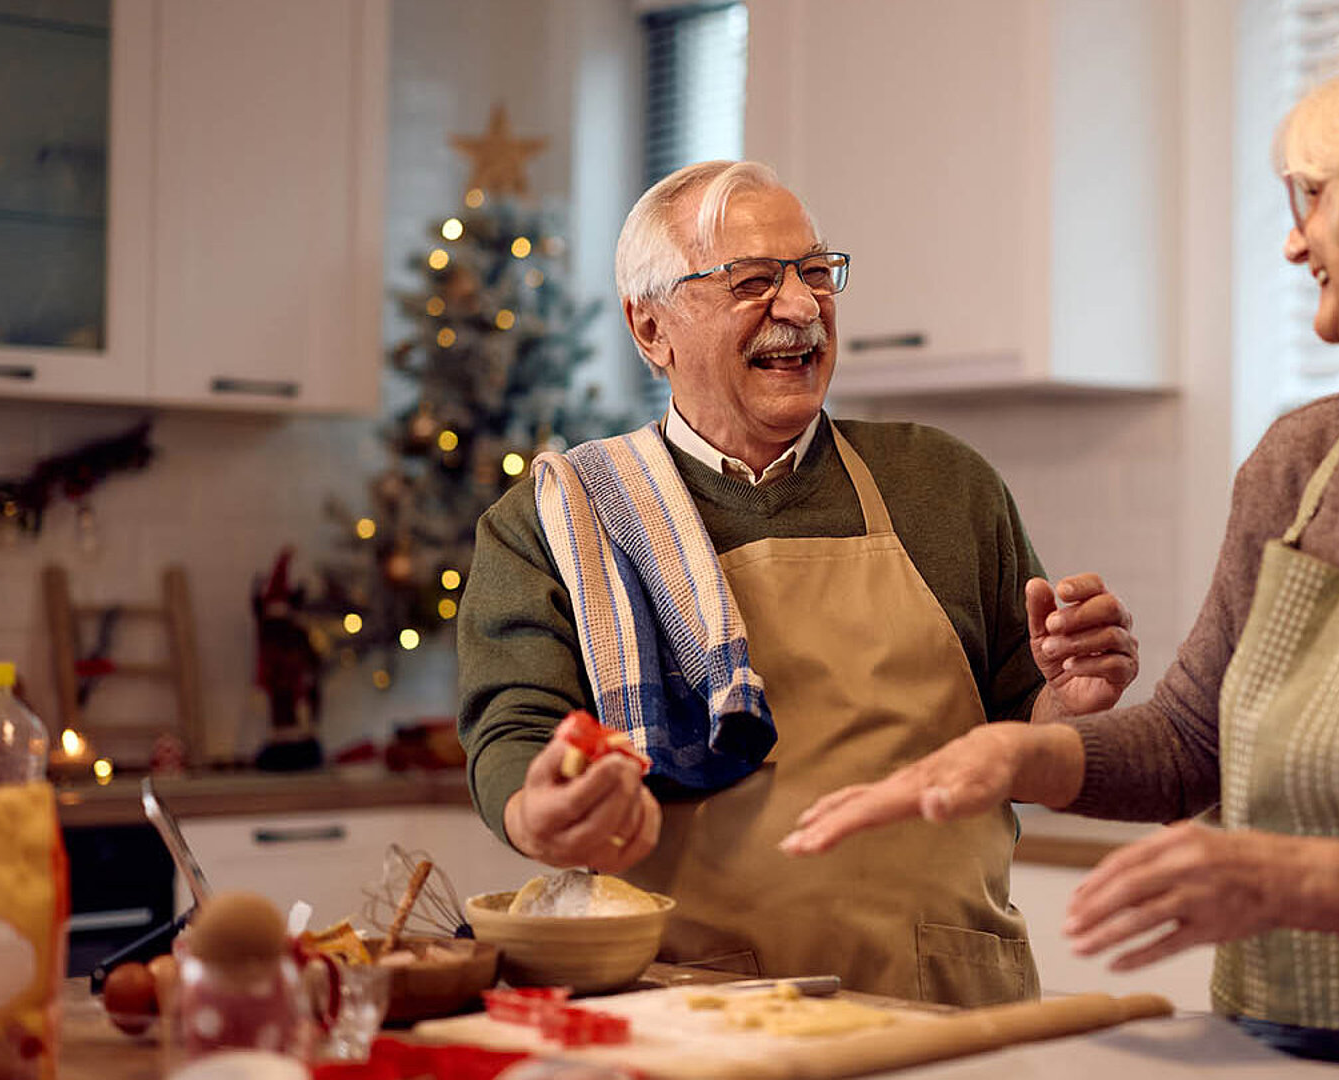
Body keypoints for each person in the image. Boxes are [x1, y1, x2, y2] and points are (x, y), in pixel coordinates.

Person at [781, 40, 1339, 1063]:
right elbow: (1191, 744)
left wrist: (1288, 879)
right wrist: (1016, 755)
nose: (1295, 243)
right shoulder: (1303, 458)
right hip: (1266, 1042)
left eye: (1316, 197)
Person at [456, 159, 1140, 1007]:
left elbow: (1023, 725)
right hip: (696, 1017)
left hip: (950, 1005)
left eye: (816, 272)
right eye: (752, 282)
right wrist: (540, 812)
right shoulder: (562, 519)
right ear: (651, 328)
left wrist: (1069, 700)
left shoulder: (943, 485)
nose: (802, 307)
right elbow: (515, 734)